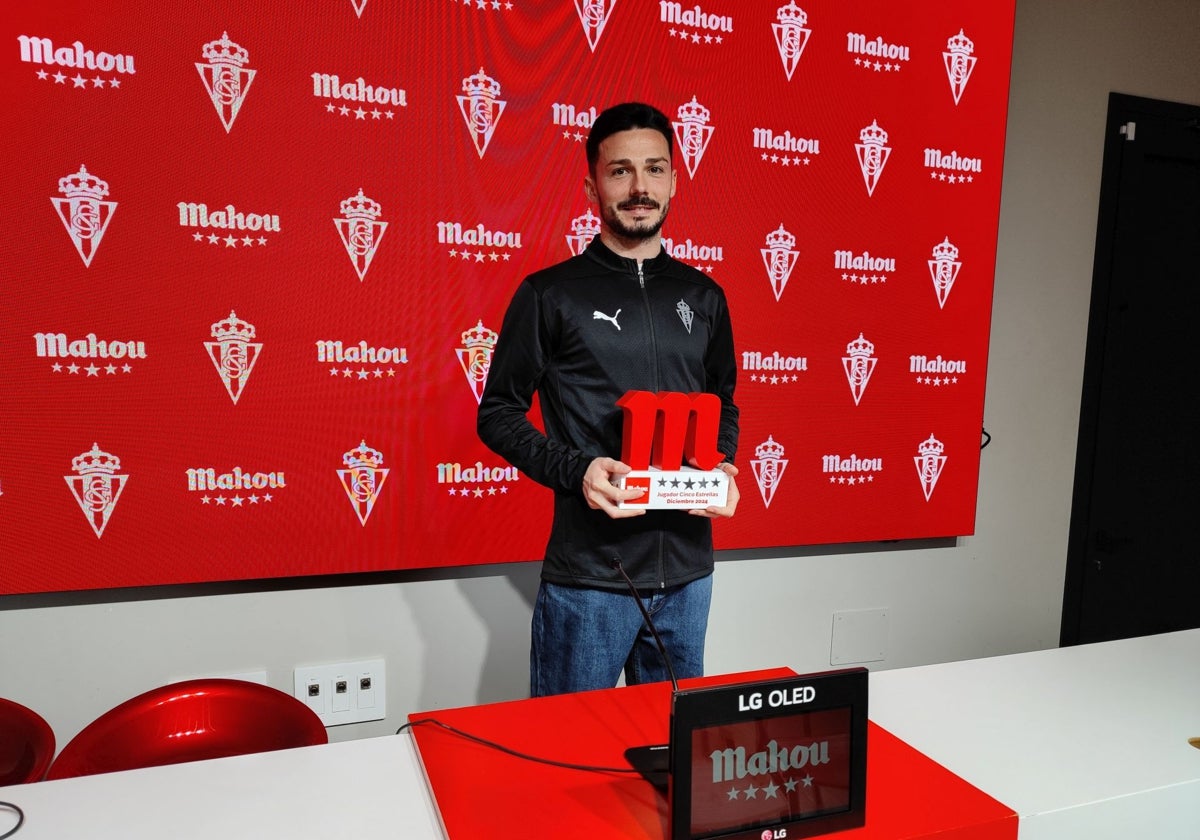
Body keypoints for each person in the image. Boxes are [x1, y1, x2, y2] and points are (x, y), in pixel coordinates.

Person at [477, 101, 739, 697]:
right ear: (592, 185)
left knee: (673, 761)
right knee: (567, 757)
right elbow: (496, 414)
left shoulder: (706, 296)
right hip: (590, 580)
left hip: (689, 578)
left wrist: (721, 465)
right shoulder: (549, 294)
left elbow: (723, 403)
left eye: (655, 168)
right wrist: (579, 470)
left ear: (674, 180)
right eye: (620, 170)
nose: (639, 186)